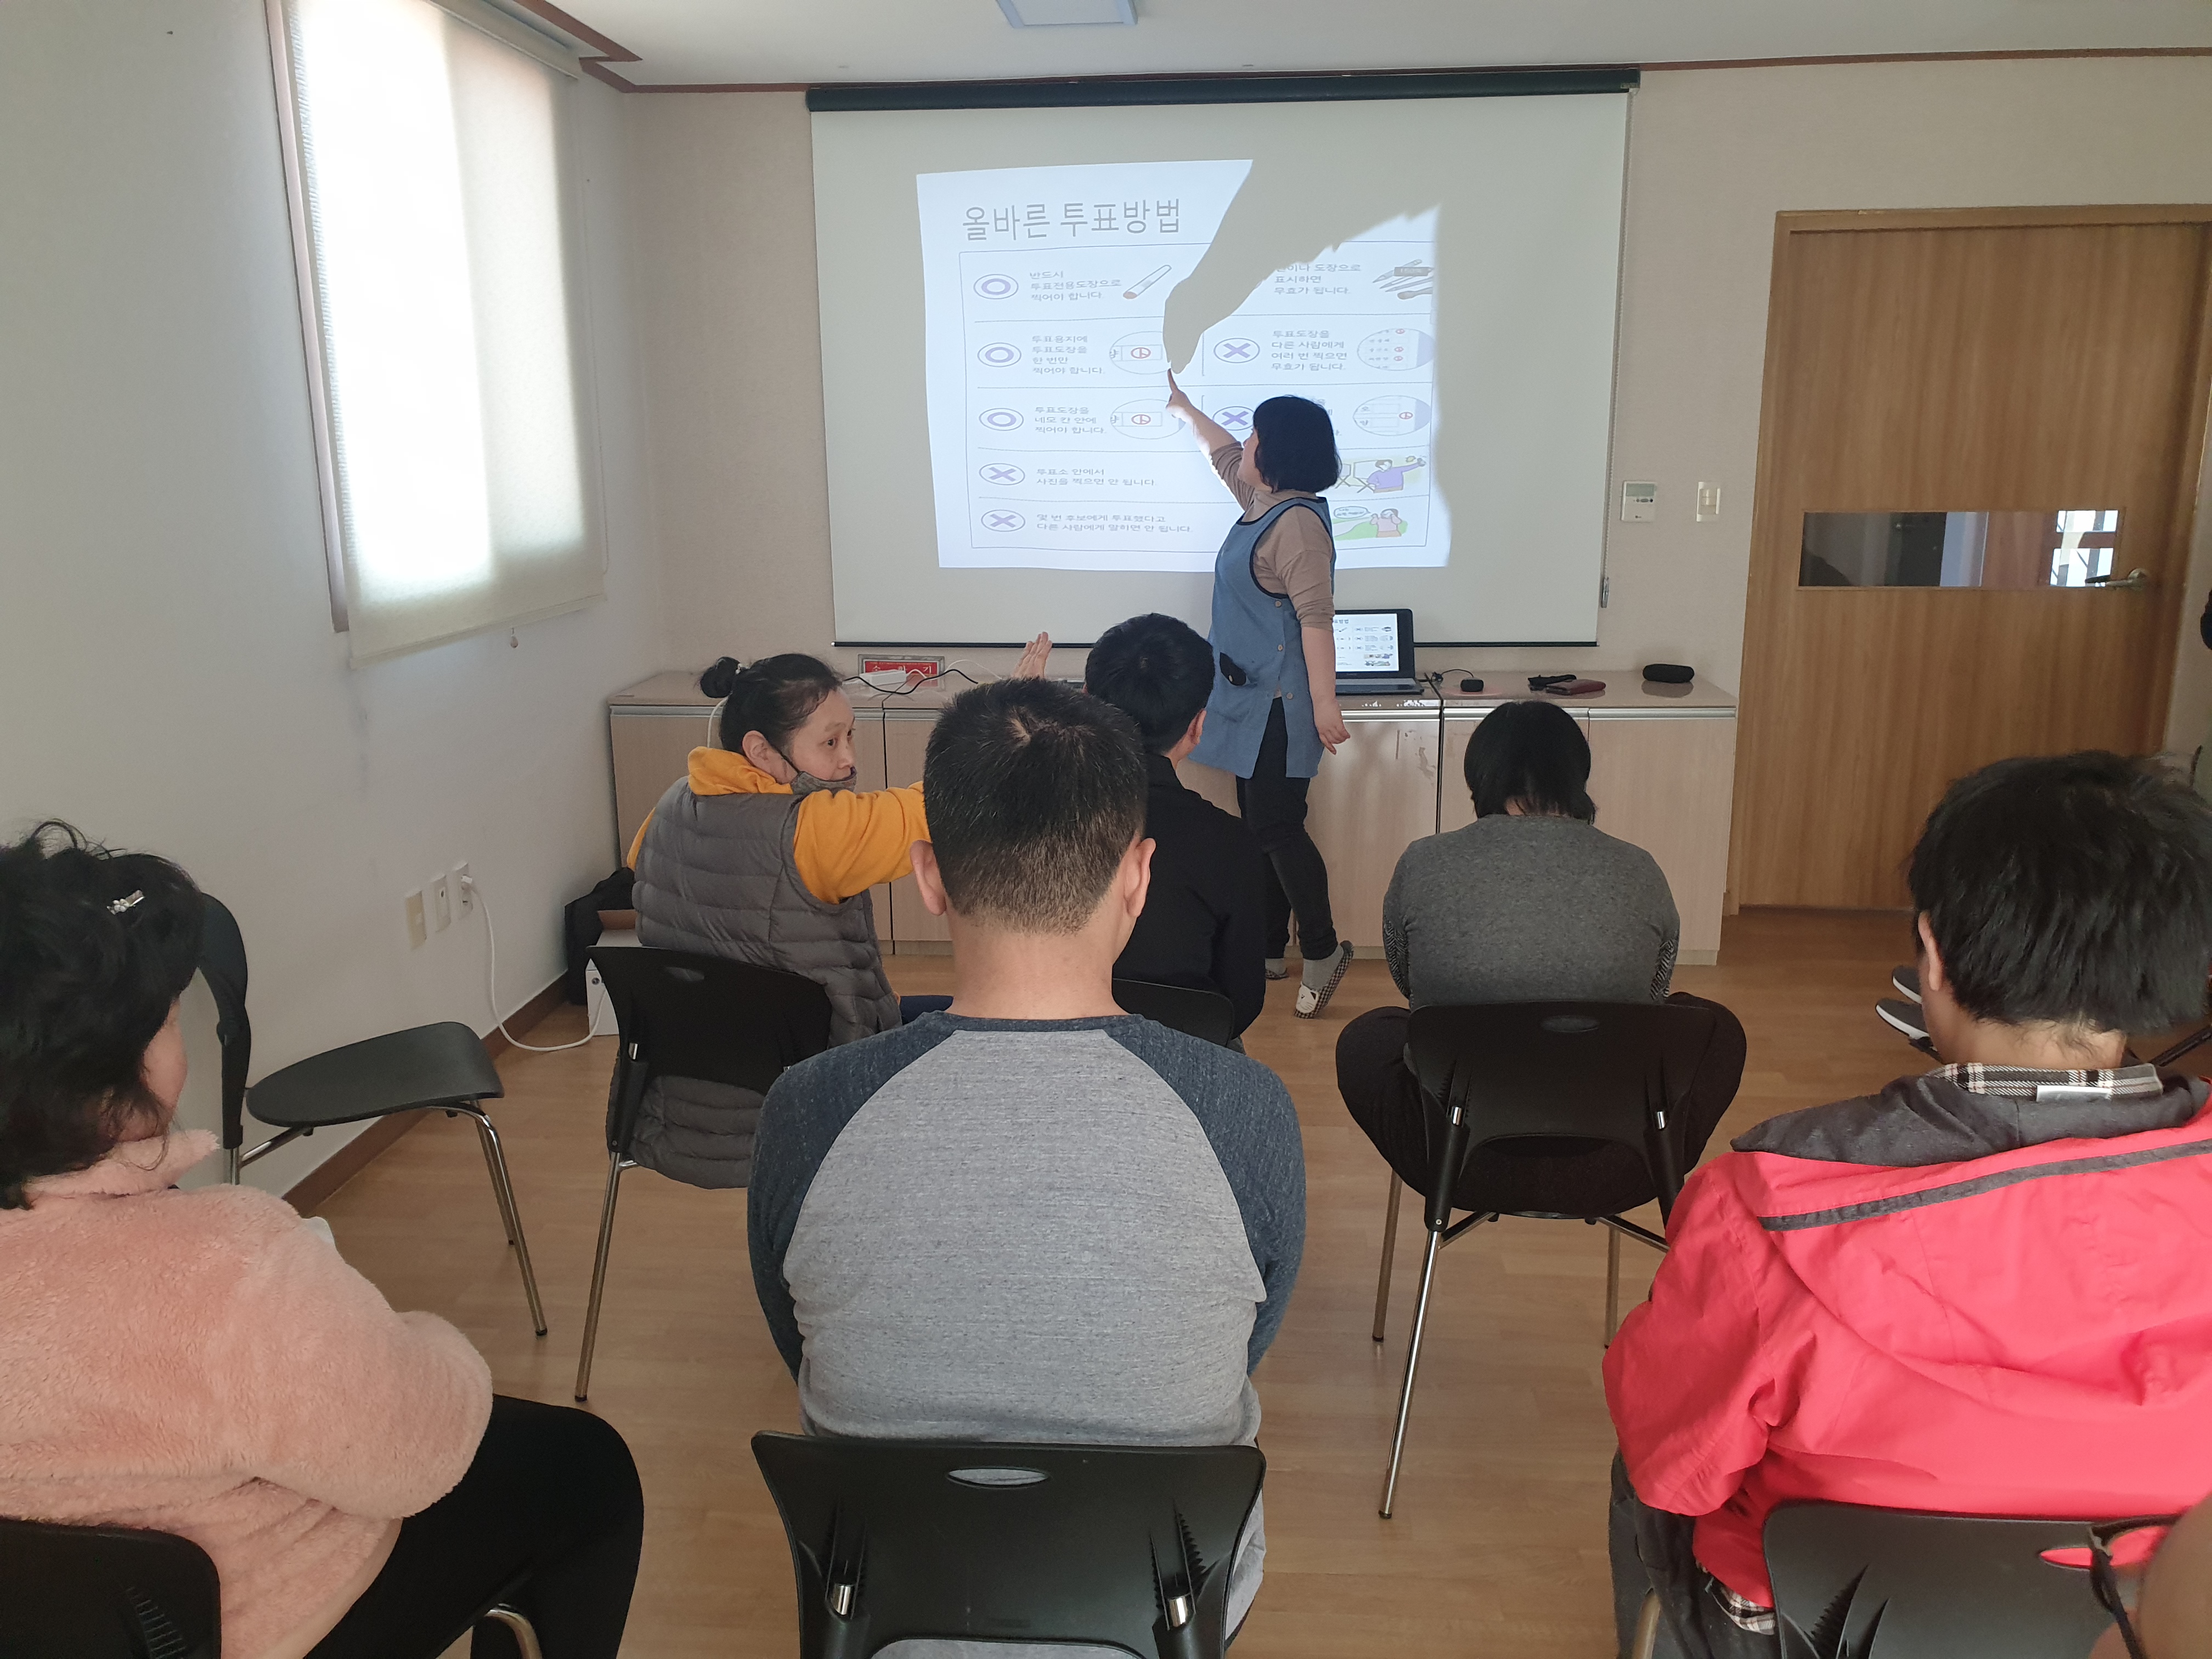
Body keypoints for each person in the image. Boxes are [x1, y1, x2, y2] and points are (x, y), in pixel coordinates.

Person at [1605, 752, 2212, 1659]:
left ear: (1932, 953)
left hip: (1815, 1631)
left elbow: (1673, 1464)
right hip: (2135, 1622)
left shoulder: (1769, 1206)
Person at [747, 679, 1305, 1638]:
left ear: (928, 877)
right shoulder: (1244, 1111)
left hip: (885, 1615)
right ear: (1138, 877)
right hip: (1162, 1612)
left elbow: (796, 1336)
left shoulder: (808, 1110)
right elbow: (1246, 1338)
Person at [0, 824, 642, 1659]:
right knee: (585, 1466)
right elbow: (416, 1453)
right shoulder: (228, 1268)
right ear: (116, 1073)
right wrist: (429, 1341)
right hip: (261, 1621)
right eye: (169, 1020)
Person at [624, 641, 1043, 1185]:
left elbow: (642, 869)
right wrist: (1011, 712)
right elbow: (947, 803)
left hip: (676, 1102)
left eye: (851, 736)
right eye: (829, 742)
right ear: (761, 750)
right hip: (806, 1100)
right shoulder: (813, 831)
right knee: (995, 1023)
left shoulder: (668, 805)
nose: (848, 760)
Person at [1336, 699, 1746, 1214]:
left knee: (1371, 1036)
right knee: (1713, 1028)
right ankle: (1658, 1165)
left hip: (1456, 1160)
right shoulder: (1640, 869)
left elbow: (1409, 980)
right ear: (1577, 775)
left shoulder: (1422, 863)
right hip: (1616, 1165)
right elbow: (1652, 993)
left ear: (1478, 776)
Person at [1165, 373, 1354, 1018]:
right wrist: (1187, 410)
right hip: (1247, 700)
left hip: (1283, 705)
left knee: (1276, 825)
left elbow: (1316, 619)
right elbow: (1221, 453)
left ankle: (1322, 949)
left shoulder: (1296, 525)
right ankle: (1271, 946)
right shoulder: (1262, 500)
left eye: (1255, 435)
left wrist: (1325, 704)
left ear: (1278, 452)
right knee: (1261, 825)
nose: (1244, 443)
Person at [1083, 612, 1269, 1038]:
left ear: (1087, 701)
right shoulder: (1230, 843)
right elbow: (1241, 1003)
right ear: (1198, 726)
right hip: (1188, 1048)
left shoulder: (1031, 816)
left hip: (1048, 1045)